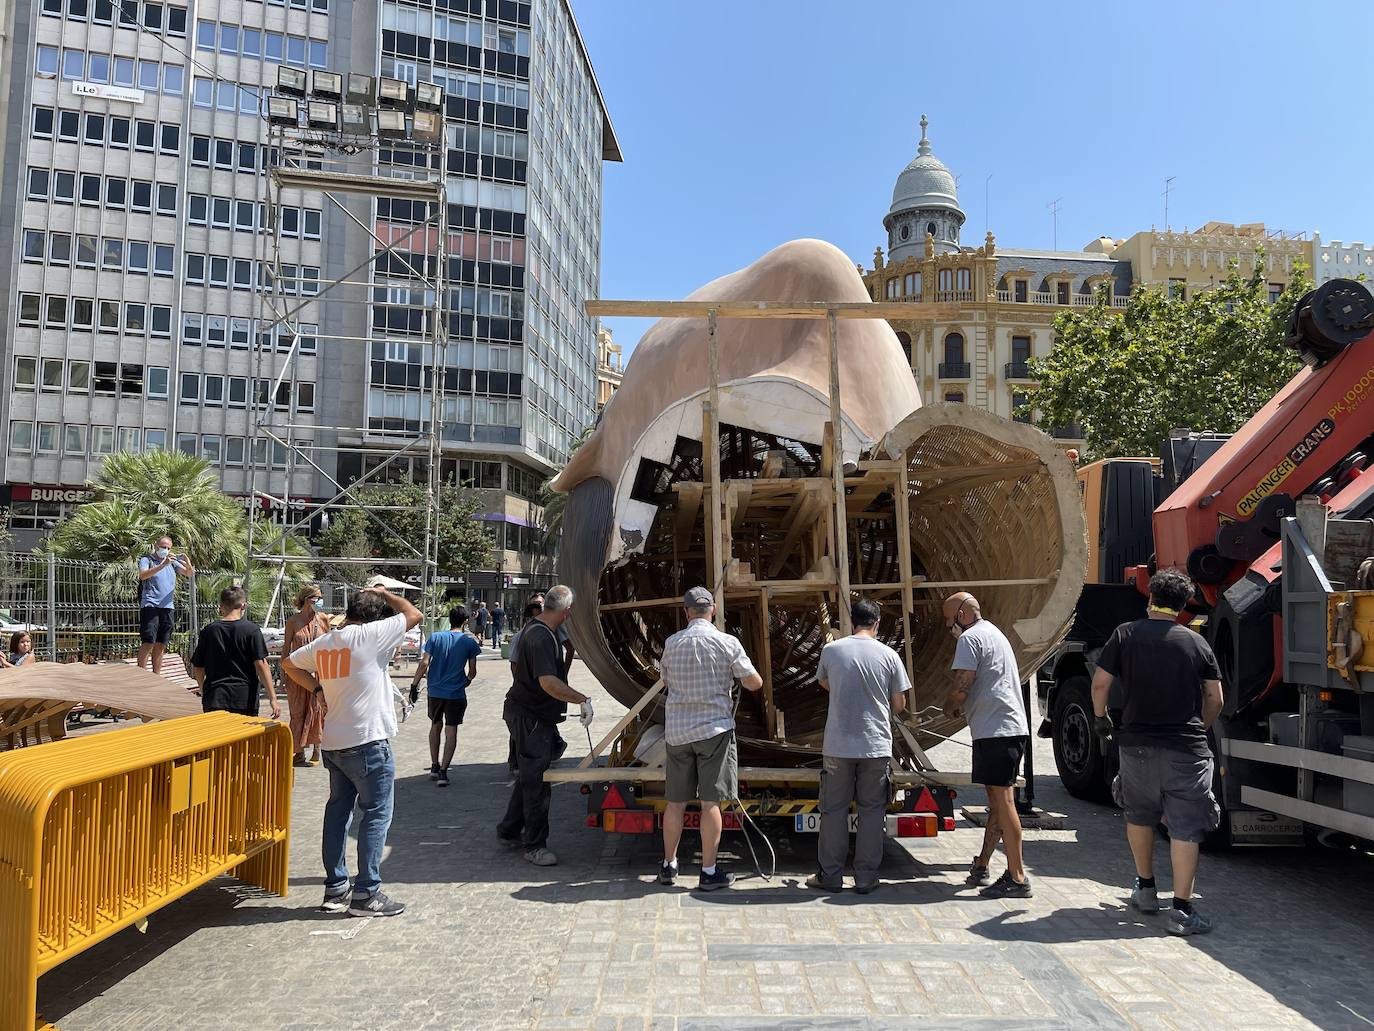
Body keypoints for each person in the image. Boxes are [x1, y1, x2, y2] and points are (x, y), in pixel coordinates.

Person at [1091, 568, 1223, 936]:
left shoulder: (1125, 634)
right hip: (1186, 748)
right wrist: (1201, 727)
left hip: (1136, 747)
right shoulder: (1197, 644)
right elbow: (1215, 697)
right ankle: (1181, 910)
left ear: (1150, 598)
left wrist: (1102, 721)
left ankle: (1146, 889)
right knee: (1185, 827)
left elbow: (1100, 684)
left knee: (1139, 814)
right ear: (1183, 607)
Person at [284, 585, 423, 918]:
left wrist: (317, 687)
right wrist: (386, 592)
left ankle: (336, 889)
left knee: (337, 814)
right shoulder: (372, 635)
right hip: (368, 742)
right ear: (376, 615)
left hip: (334, 742)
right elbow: (414, 614)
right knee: (376, 815)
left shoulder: (327, 642)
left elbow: (289, 664)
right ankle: (367, 893)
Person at [658, 587, 763, 891]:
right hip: (714, 732)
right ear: (713, 610)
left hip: (678, 732)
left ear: (687, 612)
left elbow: (664, 680)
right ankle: (709, 871)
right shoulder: (727, 642)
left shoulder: (672, 643)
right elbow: (753, 682)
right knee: (710, 804)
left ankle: (669, 865)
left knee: (675, 803)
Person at [808, 599, 911, 894]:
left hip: (838, 745)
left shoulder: (832, 650)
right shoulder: (889, 655)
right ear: (876, 623)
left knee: (834, 811)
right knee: (871, 811)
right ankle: (865, 876)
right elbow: (899, 704)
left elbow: (824, 683)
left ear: (852, 621)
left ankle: (830, 875)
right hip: (875, 746)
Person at [943, 591, 1032, 899]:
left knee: (1004, 803)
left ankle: (1018, 877)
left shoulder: (970, 639)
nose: (948, 626)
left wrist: (950, 705)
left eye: (948, 620)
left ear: (962, 615)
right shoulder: (995, 633)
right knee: (996, 803)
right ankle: (983, 864)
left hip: (996, 731)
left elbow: (964, 681)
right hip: (1008, 729)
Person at [496, 584, 590, 867]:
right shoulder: (539, 638)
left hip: (531, 714)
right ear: (567, 612)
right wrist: (581, 699)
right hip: (530, 717)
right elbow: (547, 682)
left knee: (530, 773)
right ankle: (535, 845)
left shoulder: (542, 632)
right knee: (538, 781)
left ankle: (509, 828)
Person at [411, 606, 481, 787]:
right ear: (465, 622)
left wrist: (414, 684)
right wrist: (466, 681)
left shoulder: (435, 638)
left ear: (449, 619)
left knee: (435, 727)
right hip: (456, 693)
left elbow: (424, 662)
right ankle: (443, 771)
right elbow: (472, 671)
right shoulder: (469, 643)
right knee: (452, 731)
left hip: (435, 692)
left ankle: (434, 765)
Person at [191, 587, 280, 719]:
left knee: (219, 738)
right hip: (244, 697)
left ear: (221, 606)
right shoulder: (251, 630)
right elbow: (261, 665)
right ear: (243, 605)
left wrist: (203, 690)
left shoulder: (209, 631)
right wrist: (273, 698)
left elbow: (198, 667)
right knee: (244, 738)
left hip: (215, 696)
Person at [283, 585, 329, 766]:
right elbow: (286, 649)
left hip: (319, 673)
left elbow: (330, 644)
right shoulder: (293, 621)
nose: (318, 601)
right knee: (297, 711)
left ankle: (317, 748)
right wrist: (283, 673)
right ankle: (299, 752)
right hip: (297, 671)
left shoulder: (323, 619)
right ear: (307, 599)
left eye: (320, 597)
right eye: (316, 597)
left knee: (317, 709)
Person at [137, 535, 195, 675]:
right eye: (163, 547)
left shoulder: (173, 562)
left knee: (161, 643)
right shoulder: (147, 560)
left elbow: (189, 573)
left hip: (167, 607)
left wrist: (187, 563)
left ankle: (156, 675)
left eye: (168, 548)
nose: (166, 550)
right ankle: (141, 675)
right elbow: (143, 575)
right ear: (156, 546)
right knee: (148, 641)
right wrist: (163, 564)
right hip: (150, 605)